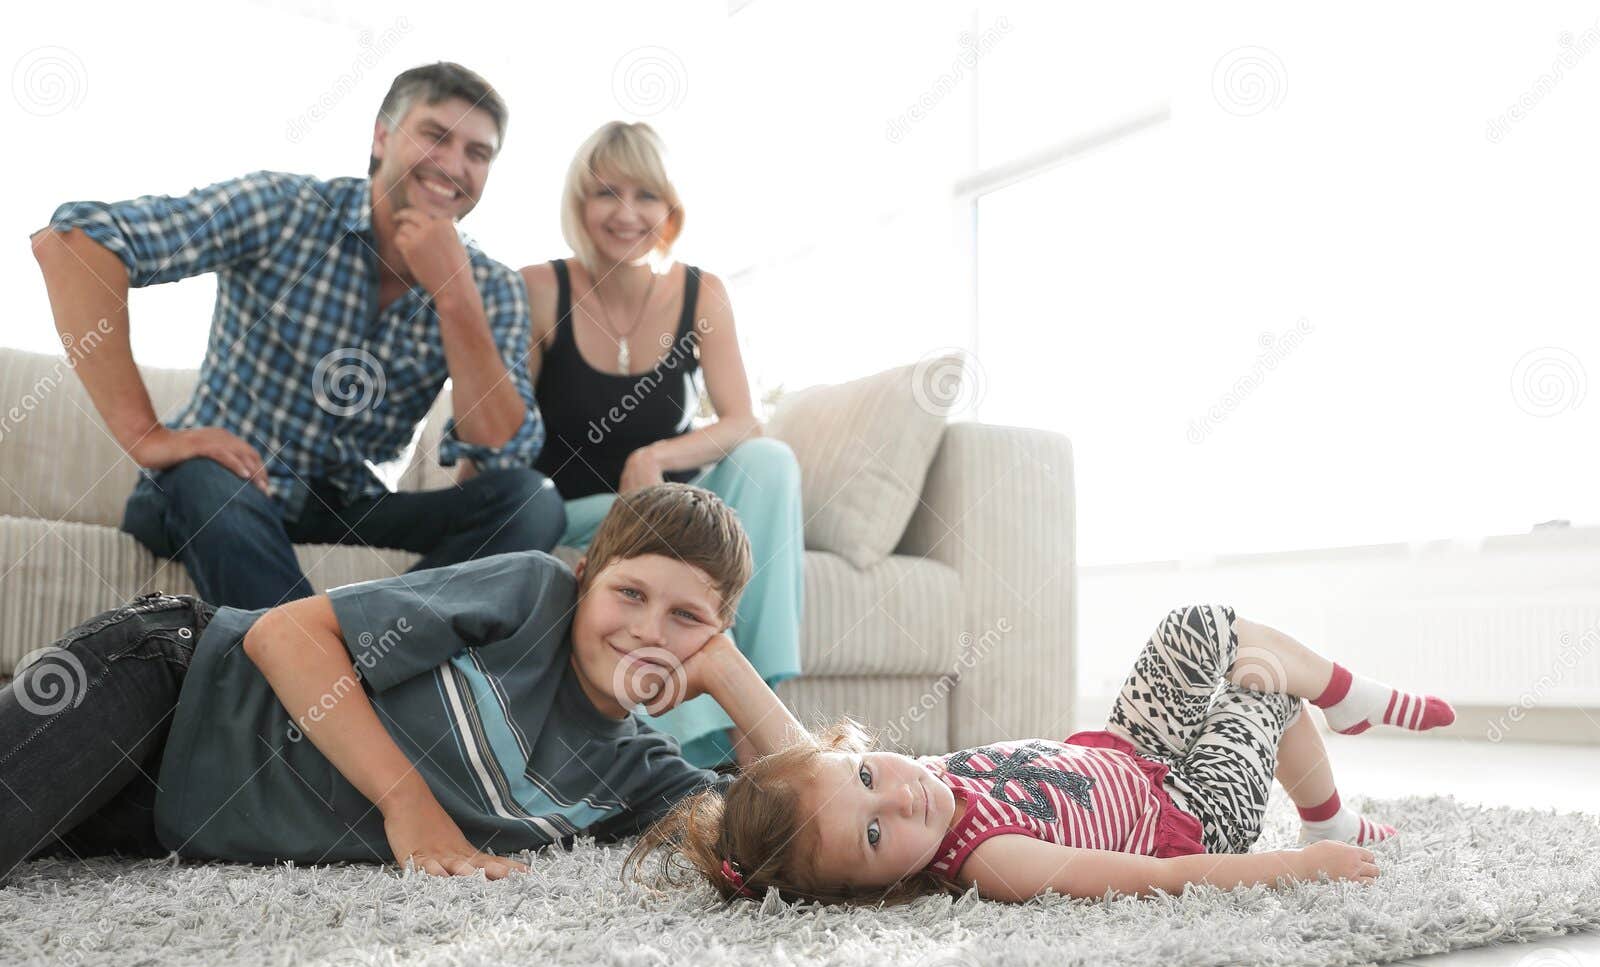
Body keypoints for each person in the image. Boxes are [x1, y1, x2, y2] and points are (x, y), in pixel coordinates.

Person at [0, 485, 804, 886]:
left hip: (162, 818)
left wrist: (733, 675)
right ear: (585, 576)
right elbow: (283, 632)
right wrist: (409, 805)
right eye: (629, 595)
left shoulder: (639, 777)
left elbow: (802, 818)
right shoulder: (530, 594)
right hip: (168, 687)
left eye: (688, 619)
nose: (648, 632)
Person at [29, 62, 563, 611]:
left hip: (351, 506)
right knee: (206, 483)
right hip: (225, 483)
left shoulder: (490, 287)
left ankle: (367, 640)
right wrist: (148, 437)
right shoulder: (286, 211)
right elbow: (74, 243)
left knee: (533, 503)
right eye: (435, 136)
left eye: (478, 153)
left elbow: (503, 449)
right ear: (382, 135)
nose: (454, 166)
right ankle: (329, 669)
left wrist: (454, 296)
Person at [629, 604, 1458, 905]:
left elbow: (801, 769)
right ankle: (1333, 813)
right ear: (876, 891)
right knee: (1265, 688)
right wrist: (1298, 864)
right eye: (874, 836)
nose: (900, 800)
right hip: (1191, 818)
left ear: (855, 753)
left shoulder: (858, 786)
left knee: (1200, 626)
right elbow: (1161, 881)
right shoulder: (992, 859)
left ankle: (1347, 695)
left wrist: (720, 666)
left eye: (871, 776)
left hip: (1124, 752)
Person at [519, 121, 803, 771]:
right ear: (578, 204)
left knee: (769, 461)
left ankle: (760, 712)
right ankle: (704, 753)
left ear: (668, 209)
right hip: (578, 509)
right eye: (606, 193)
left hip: (664, 500)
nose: (626, 213)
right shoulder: (540, 287)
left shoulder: (701, 291)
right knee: (669, 539)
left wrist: (653, 461)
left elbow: (742, 420)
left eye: (645, 195)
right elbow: (505, 430)